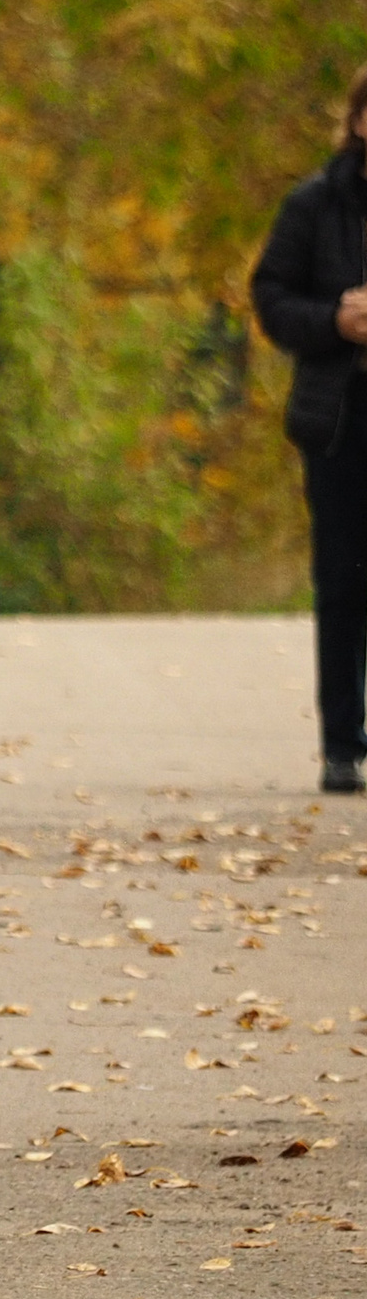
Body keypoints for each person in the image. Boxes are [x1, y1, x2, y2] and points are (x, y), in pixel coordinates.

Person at [252, 63, 367, 795]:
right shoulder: (314, 205)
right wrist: (335, 322)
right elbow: (270, 299)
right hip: (340, 421)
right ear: (360, 122)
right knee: (344, 581)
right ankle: (341, 744)